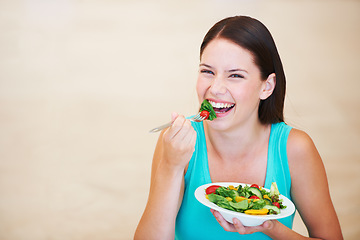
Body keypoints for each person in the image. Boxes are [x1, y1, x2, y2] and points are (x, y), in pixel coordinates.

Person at [134, 16, 343, 240]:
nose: (215, 88)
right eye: (207, 72)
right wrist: (171, 166)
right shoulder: (176, 142)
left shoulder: (294, 149)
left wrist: (271, 227)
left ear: (267, 86)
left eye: (235, 75)